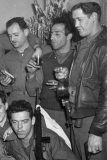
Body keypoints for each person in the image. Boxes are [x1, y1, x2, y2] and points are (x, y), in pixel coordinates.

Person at [55, 2, 107, 160]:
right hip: (77, 116)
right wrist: (67, 78)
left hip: (93, 120)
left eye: (79, 19)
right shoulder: (83, 44)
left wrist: (97, 131)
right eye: (74, 20)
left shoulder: (104, 47)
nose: (75, 25)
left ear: (93, 17)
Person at [38, 17, 75, 138]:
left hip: (69, 113)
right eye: (51, 34)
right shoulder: (45, 58)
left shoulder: (78, 59)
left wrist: (64, 86)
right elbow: (34, 87)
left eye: (57, 34)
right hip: (46, 112)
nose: (51, 37)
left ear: (69, 36)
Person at [5, 100, 78, 160]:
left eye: (24, 121)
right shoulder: (10, 142)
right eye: (15, 122)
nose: (19, 127)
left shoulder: (50, 138)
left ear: (33, 120)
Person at [1, 17, 42, 107]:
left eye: (16, 34)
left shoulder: (37, 54)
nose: (12, 39)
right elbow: (7, 89)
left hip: (33, 102)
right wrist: (4, 83)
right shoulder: (7, 57)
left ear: (26, 32)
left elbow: (37, 89)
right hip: (13, 101)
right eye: (10, 36)